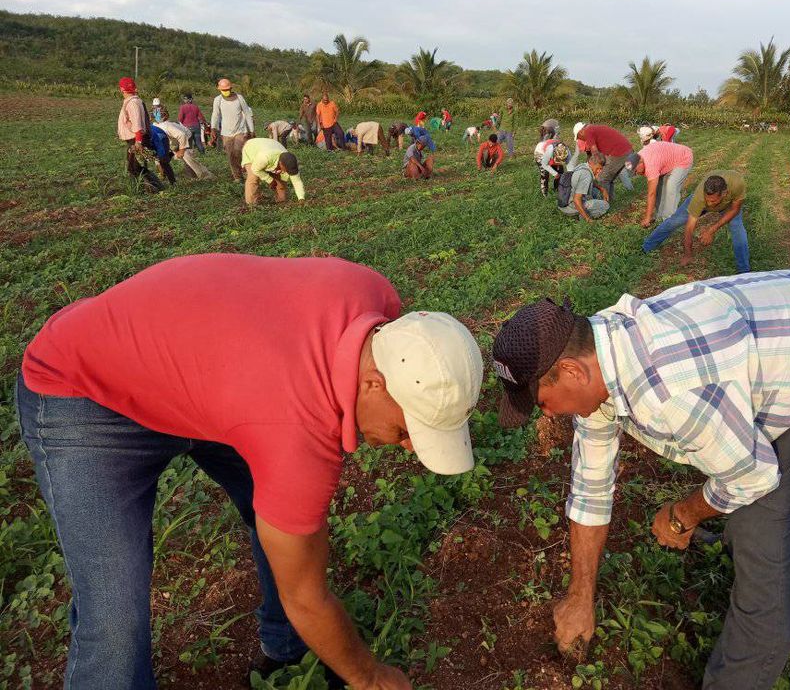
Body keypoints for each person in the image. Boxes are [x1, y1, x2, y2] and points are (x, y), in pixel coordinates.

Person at [16, 253, 484, 690]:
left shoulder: (378, 303)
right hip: (82, 390)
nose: (404, 447)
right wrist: (370, 677)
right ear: (373, 382)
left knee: (284, 529)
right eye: (406, 429)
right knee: (113, 617)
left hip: (212, 383)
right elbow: (308, 594)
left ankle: (288, 650)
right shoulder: (295, 427)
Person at [490, 271, 790, 690]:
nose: (546, 415)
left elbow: (752, 476)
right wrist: (580, 596)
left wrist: (682, 515)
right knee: (739, 474)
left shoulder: (673, 392)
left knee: (767, 529)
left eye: (542, 402)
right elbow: (591, 483)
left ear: (571, 371)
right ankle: (733, 530)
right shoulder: (597, 351)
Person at [642, 171, 750, 273]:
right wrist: (687, 254)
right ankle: (647, 246)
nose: (709, 204)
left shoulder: (737, 184)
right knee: (674, 221)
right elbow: (689, 227)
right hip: (698, 201)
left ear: (724, 193)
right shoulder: (700, 198)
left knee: (738, 229)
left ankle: (744, 270)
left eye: (713, 201)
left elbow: (735, 210)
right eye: (707, 199)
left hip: (728, 206)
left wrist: (711, 230)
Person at [629, 140, 694, 225]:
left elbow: (651, 194)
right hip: (668, 161)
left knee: (671, 187)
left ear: (640, 162)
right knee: (660, 187)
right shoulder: (638, 157)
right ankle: (658, 216)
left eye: (636, 171)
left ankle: (668, 221)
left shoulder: (650, 165)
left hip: (683, 158)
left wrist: (647, 218)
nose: (637, 173)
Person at [116, 77, 164, 193]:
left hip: (136, 139)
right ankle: (144, 188)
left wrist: (138, 142)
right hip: (134, 139)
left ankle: (154, 188)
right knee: (133, 166)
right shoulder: (133, 101)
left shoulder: (133, 103)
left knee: (134, 167)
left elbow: (137, 123)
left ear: (122, 89)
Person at [574, 123, 634, 201]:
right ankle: (611, 200)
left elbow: (595, 153)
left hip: (619, 153)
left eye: (579, 137)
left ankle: (605, 203)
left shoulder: (588, 131)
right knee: (609, 178)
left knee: (602, 178)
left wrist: (594, 170)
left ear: (581, 132)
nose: (582, 140)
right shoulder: (594, 128)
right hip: (626, 150)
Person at [210, 78, 255, 182]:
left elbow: (247, 114)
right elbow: (215, 114)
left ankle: (246, 172)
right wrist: (213, 128)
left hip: (241, 130)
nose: (226, 91)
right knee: (231, 155)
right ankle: (237, 176)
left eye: (227, 89)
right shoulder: (218, 100)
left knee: (239, 151)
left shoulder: (239, 98)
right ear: (219, 89)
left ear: (231, 88)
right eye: (223, 90)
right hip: (226, 132)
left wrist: (251, 130)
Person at [241, 138, 306, 206]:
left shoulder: (290, 161)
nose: (287, 171)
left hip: (271, 146)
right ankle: (251, 204)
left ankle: (282, 202)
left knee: (281, 179)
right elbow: (255, 169)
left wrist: (301, 198)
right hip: (252, 148)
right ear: (281, 163)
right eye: (286, 169)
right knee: (253, 178)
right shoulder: (264, 157)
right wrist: (269, 180)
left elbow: (297, 181)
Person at [559, 152, 609, 222]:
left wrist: (602, 189)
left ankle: (583, 210)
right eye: (598, 168)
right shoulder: (586, 175)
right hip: (571, 206)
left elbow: (588, 182)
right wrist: (587, 219)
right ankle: (581, 216)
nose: (599, 171)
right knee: (605, 205)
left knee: (596, 192)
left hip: (566, 202)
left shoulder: (583, 166)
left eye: (601, 169)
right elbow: (576, 200)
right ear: (591, 163)